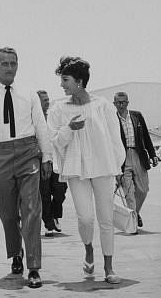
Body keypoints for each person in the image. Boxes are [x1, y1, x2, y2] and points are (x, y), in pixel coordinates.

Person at [0, 47, 52, 289]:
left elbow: (40, 125)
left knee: (31, 209)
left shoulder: (29, 94)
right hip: (1, 155)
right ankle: (15, 253)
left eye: (13, 63)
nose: (9, 68)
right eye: (5, 64)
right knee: (7, 212)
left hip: (28, 152)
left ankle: (34, 267)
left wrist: (46, 155)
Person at [48, 56, 125, 284]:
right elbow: (55, 141)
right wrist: (69, 128)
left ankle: (109, 267)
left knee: (106, 219)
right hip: (75, 169)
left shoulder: (103, 106)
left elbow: (114, 139)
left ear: (79, 81)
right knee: (85, 218)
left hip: (103, 168)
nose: (62, 85)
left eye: (65, 79)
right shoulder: (58, 108)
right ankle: (88, 248)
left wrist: (118, 168)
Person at [113, 92, 158, 229]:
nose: (121, 105)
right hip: (122, 158)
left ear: (128, 102)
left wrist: (152, 154)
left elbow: (145, 135)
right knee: (129, 192)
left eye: (124, 102)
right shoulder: (112, 119)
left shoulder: (136, 116)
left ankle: (135, 213)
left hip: (138, 154)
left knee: (143, 189)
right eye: (118, 102)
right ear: (114, 104)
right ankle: (132, 224)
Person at [37, 90, 68, 237]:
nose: (47, 102)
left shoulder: (53, 118)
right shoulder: (33, 120)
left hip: (56, 161)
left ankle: (55, 215)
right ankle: (48, 223)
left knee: (60, 190)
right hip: (40, 161)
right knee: (44, 194)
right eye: (44, 100)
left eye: (48, 99)